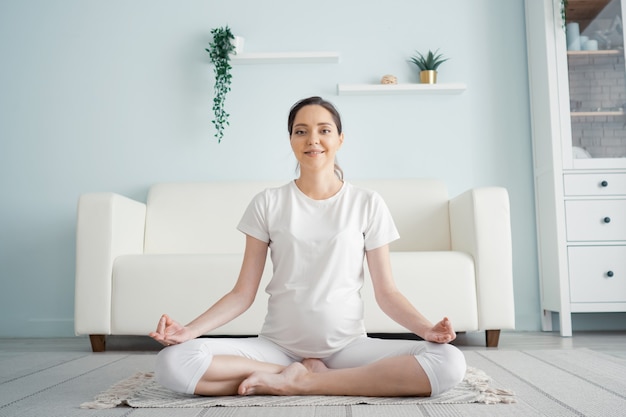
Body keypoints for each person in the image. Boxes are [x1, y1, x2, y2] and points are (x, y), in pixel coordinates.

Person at [149, 96, 466, 397]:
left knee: (448, 362)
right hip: (276, 349)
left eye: (324, 130)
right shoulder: (268, 203)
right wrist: (190, 331)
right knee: (172, 363)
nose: (313, 139)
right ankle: (295, 374)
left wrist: (426, 329)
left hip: (349, 349)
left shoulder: (367, 203)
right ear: (291, 141)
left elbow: (388, 293)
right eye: (301, 131)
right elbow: (242, 294)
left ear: (340, 139)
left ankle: (302, 383)